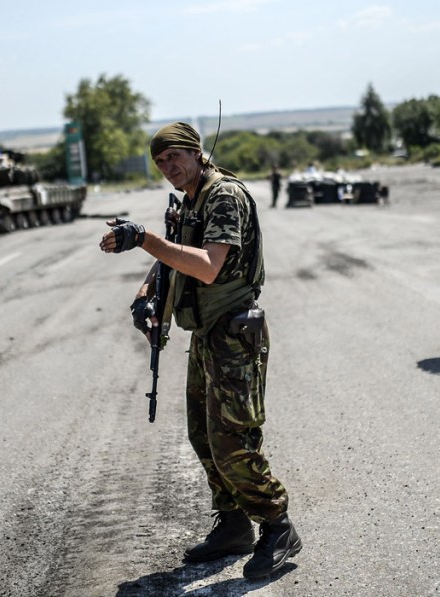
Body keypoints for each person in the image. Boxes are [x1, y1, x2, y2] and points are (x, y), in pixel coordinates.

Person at [98, 122, 301, 580]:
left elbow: (208, 267)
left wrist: (144, 237)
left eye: (174, 157)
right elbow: (174, 256)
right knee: (202, 435)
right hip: (207, 333)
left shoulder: (224, 196)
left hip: (233, 334)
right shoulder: (191, 198)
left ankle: (277, 525)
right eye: (160, 162)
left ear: (195, 152)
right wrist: (147, 294)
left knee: (232, 439)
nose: (168, 168)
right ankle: (232, 525)